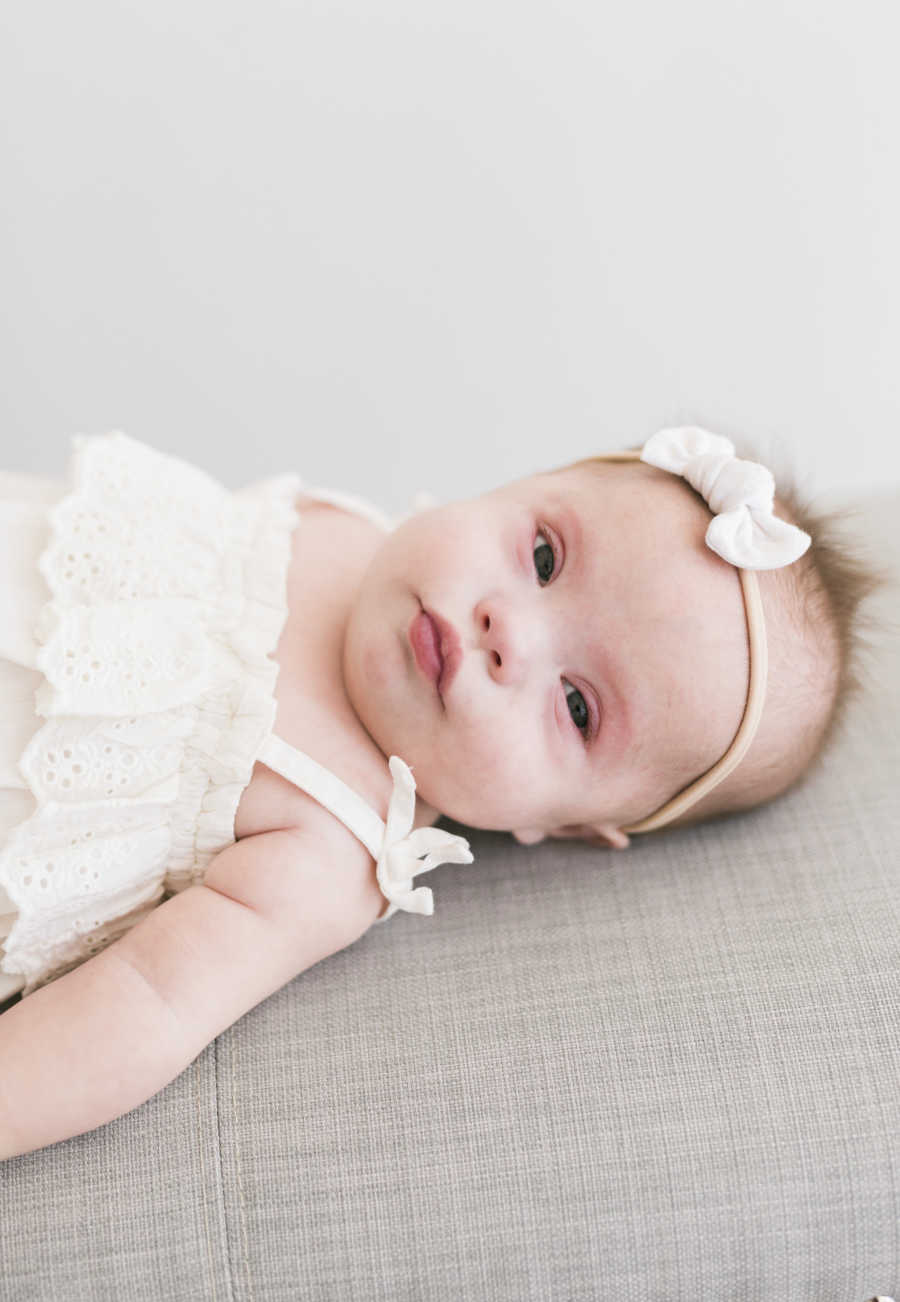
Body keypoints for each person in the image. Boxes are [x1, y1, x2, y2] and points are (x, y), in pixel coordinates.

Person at [0, 424, 883, 1158]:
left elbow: (146, 1006)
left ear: (568, 827)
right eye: (544, 554)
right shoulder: (333, 521)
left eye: (577, 707)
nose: (510, 631)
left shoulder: (332, 843)